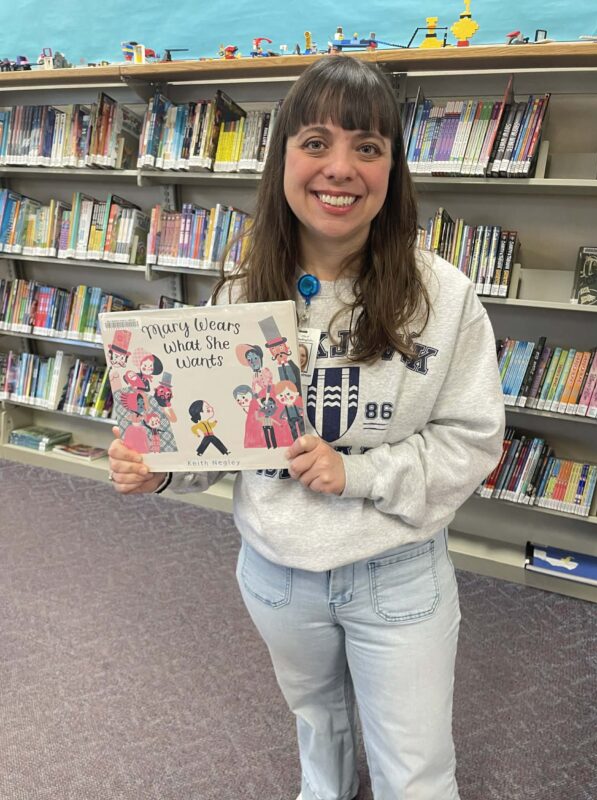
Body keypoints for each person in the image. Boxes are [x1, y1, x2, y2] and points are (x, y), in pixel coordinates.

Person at [107, 56, 505, 800]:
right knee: (318, 735)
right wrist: (161, 467)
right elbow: (218, 435)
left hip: (398, 573)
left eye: (368, 147)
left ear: (393, 168)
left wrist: (359, 473)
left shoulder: (444, 296)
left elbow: (474, 440)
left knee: (416, 776)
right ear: (283, 156)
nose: (341, 169)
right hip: (276, 572)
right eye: (316, 142)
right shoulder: (241, 290)